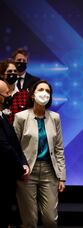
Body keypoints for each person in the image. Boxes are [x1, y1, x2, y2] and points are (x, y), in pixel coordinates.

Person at [13, 80, 66, 228]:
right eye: (41, 89)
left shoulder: (55, 117)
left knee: (50, 220)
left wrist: (62, 177)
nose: (44, 93)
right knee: (29, 220)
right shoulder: (21, 117)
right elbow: (14, 147)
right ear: (33, 94)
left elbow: (58, 148)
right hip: (27, 172)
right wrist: (19, 168)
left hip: (49, 171)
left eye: (48, 91)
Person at [0, 80, 29, 228]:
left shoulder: (2, 116)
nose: (9, 96)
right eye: (5, 94)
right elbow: (5, 147)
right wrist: (20, 168)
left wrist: (23, 162)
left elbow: (15, 144)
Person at [0, 59, 29, 124]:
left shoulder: (25, 95)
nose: (13, 73)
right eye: (10, 71)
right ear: (2, 75)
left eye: (15, 71)